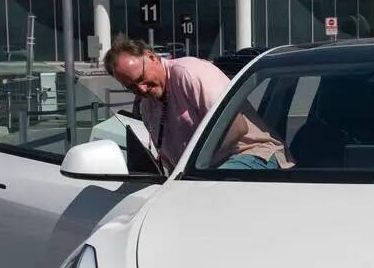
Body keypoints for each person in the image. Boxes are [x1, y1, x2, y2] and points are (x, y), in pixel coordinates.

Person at [103, 35, 288, 172]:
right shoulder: (146, 105)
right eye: (132, 87)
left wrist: (194, 164)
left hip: (254, 156)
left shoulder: (190, 72)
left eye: (141, 78)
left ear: (151, 57)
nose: (142, 89)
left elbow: (236, 128)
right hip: (199, 173)